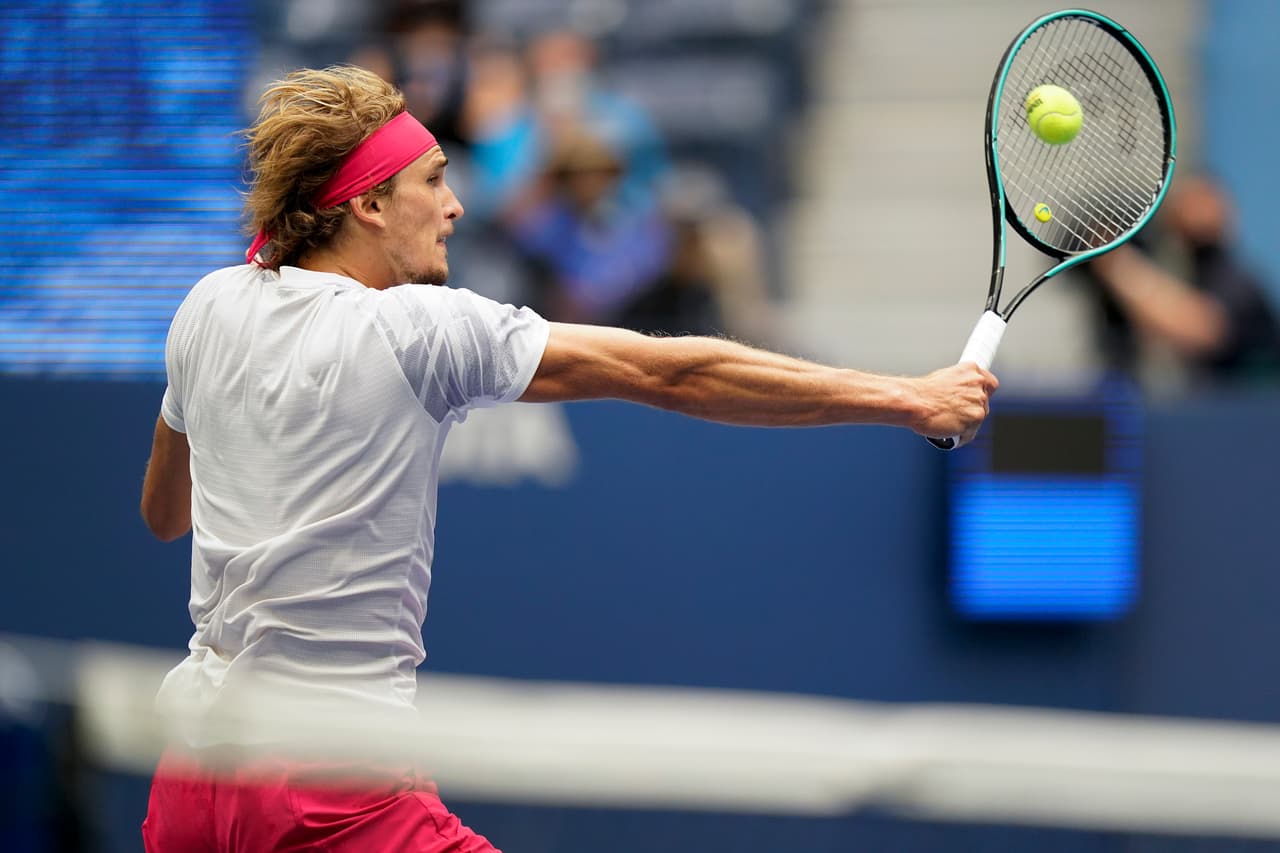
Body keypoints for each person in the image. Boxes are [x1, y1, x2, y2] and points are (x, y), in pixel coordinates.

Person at [137, 65, 995, 853]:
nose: (456, 205)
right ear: (366, 203)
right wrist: (908, 397)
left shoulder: (207, 306)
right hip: (334, 787)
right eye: (433, 180)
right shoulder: (418, 329)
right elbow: (676, 372)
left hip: (192, 787)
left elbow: (165, 512)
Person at [1083, 173, 1280, 386]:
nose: (1191, 209)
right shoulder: (1189, 273)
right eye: (1185, 200)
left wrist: (1116, 264)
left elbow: (1201, 328)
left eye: (1202, 200)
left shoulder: (1237, 279)